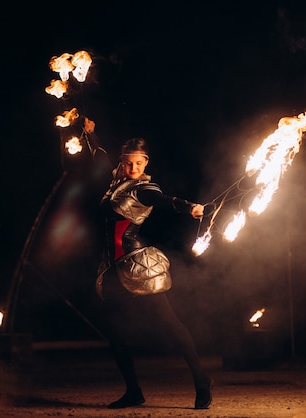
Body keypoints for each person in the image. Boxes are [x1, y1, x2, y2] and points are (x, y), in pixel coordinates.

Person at [94, 137, 212, 409]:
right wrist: (89, 134)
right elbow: (96, 158)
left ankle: (202, 380)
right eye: (127, 162)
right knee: (115, 333)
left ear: (146, 162)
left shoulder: (144, 189)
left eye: (138, 163)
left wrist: (190, 207)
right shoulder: (116, 184)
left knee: (170, 325)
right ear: (121, 162)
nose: (133, 167)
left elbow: (164, 200)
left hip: (139, 268)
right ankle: (133, 391)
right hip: (112, 268)